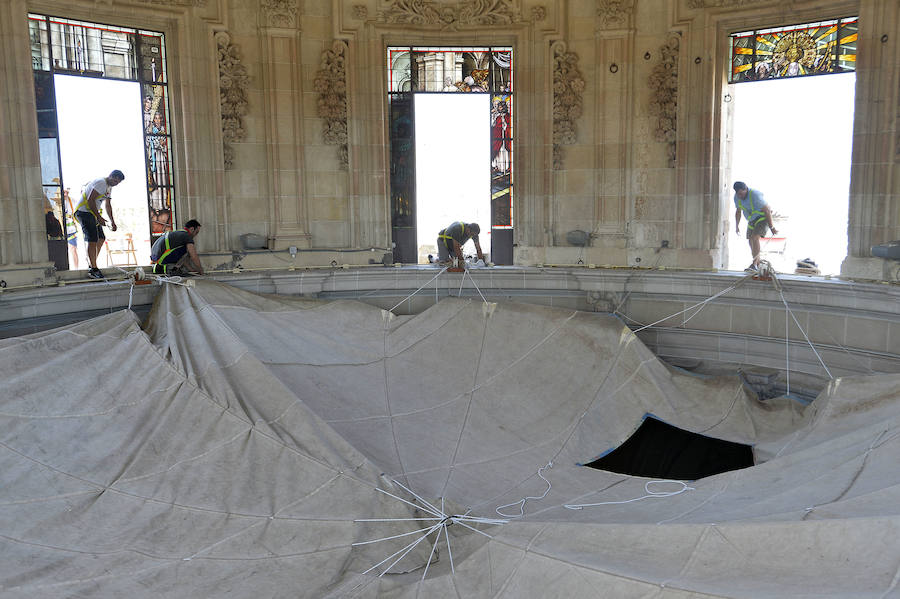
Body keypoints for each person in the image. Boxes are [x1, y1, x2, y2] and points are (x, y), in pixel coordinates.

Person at [74, 170, 124, 279]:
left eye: (118, 183)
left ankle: (91, 262)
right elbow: (90, 200)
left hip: (92, 213)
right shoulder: (101, 182)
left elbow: (108, 205)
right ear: (110, 176)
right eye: (115, 180)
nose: (115, 183)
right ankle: (93, 269)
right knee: (92, 238)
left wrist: (112, 221)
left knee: (101, 238)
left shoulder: (109, 187)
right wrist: (99, 217)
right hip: (84, 212)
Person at [733, 181, 778, 272]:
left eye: (741, 194)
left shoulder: (755, 195)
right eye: (738, 194)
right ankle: (757, 263)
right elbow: (738, 211)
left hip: (763, 217)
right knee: (750, 240)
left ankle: (754, 264)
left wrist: (772, 227)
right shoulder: (736, 198)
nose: (740, 196)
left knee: (755, 238)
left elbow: (767, 210)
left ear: (746, 189)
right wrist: (737, 226)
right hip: (752, 219)